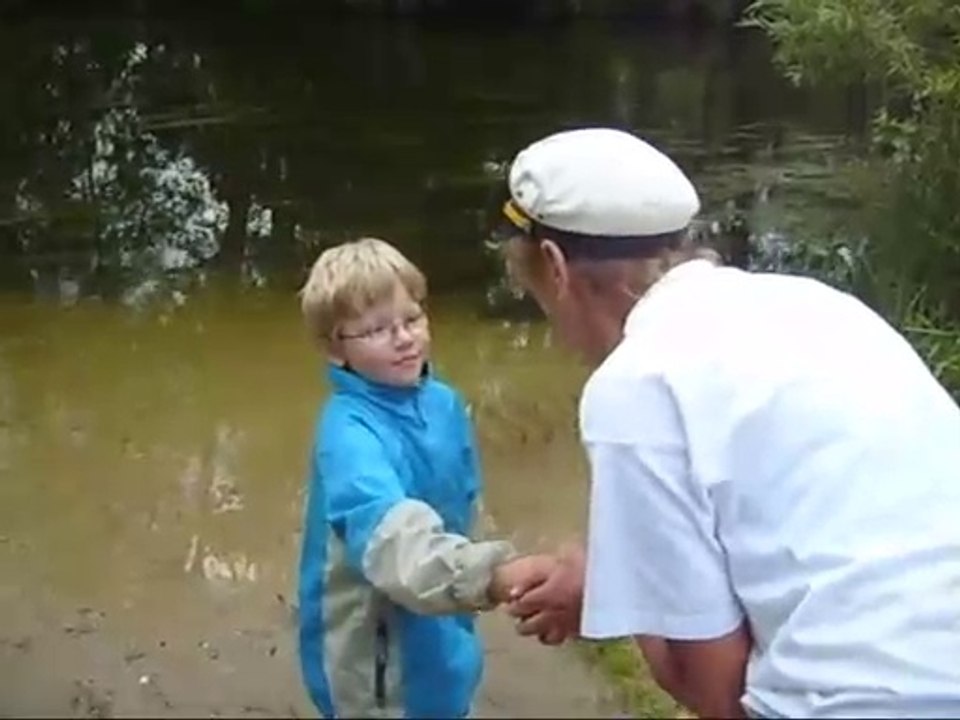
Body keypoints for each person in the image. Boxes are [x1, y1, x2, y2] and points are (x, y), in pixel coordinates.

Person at [496, 127, 960, 719]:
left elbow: (715, 693)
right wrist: (620, 570)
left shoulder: (634, 384)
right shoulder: (822, 306)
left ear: (555, 267)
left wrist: (625, 584)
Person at [296, 237, 555, 719]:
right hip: (374, 650)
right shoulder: (348, 436)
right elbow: (393, 541)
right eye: (377, 329)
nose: (404, 338)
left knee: (449, 688)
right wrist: (492, 575)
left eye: (412, 318)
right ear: (335, 349)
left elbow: (464, 504)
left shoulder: (443, 403)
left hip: (442, 606)